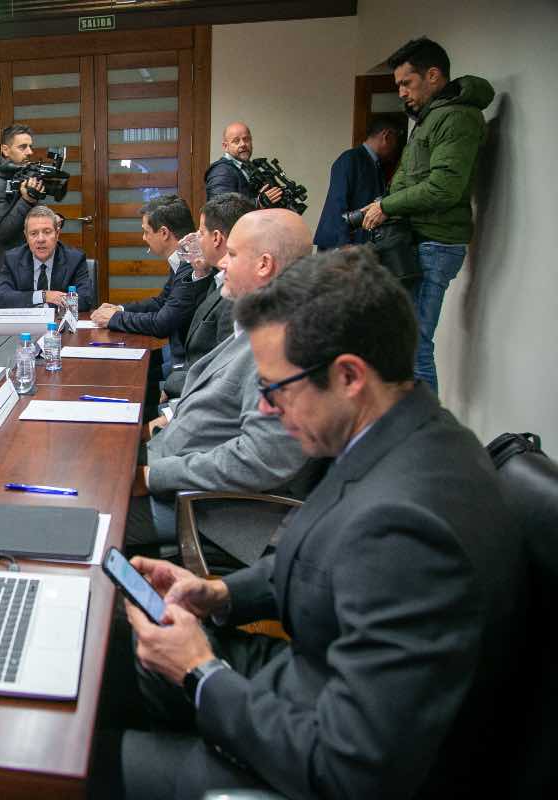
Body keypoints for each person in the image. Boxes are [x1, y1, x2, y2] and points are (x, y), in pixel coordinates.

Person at [98, 246, 522, 800]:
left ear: (348, 375)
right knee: (94, 661)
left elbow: (349, 768)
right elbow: (322, 563)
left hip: (300, 743)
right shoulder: (403, 432)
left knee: (63, 762)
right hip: (293, 680)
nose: (267, 412)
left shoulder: (408, 529)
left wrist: (200, 672)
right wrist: (217, 592)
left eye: (277, 391)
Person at [129, 209, 311, 559]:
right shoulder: (260, 320)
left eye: (232, 254)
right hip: (175, 469)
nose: (221, 263)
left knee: (79, 517)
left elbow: (260, 459)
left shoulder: (285, 345)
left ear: (264, 265)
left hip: (213, 510)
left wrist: (152, 475)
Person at [361, 37, 493, 393]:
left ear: (433, 76)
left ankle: (427, 439)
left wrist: (386, 207)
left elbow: (443, 188)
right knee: (404, 344)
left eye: (407, 83)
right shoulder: (433, 117)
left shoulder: (456, 117)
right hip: (420, 241)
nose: (402, 92)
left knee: (416, 348)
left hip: (434, 245)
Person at [89, 196, 212, 369]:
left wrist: (115, 318)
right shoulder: (181, 260)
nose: (144, 238)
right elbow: (162, 301)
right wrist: (121, 309)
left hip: (185, 361)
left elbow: (162, 323)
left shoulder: (193, 266)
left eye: (146, 231)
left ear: (164, 233)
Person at [165, 192, 256, 399]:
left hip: (200, 394)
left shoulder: (237, 290)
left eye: (200, 231)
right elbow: (194, 328)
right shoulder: (214, 274)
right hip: (189, 381)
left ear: (216, 238)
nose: (196, 238)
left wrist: (172, 389)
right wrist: (201, 273)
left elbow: (221, 372)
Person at [314, 118, 403, 249]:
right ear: (386, 136)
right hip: (340, 246)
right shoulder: (350, 159)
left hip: (358, 245)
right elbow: (337, 202)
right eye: (396, 141)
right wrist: (343, 243)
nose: (395, 148)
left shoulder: (376, 164)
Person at [0, 124, 46, 297]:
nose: (30, 152)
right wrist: (26, 200)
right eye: (22, 147)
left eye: (30, 146)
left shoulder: (22, 176)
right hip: (4, 271)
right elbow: (0, 232)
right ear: (5, 150)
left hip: (26, 264)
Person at [0, 205, 92, 311]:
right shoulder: (12, 259)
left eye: (47, 232)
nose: (40, 239)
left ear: (57, 234)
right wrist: (44, 296)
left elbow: (84, 300)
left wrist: (33, 302)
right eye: (33, 233)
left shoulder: (75, 259)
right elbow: (1, 299)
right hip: (26, 325)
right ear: (26, 236)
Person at [204, 122, 283, 207]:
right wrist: (257, 203)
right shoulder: (221, 171)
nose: (243, 144)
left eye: (246, 139)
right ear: (225, 146)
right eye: (236, 141)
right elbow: (220, 209)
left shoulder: (248, 167)